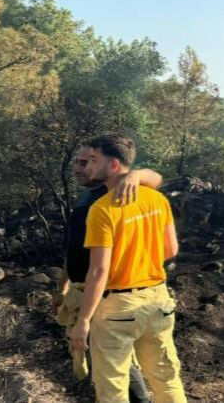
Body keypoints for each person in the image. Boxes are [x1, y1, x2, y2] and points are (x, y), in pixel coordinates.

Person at [67, 135, 187, 403]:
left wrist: (83, 321)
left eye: (94, 160)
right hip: (158, 300)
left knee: (113, 389)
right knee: (166, 378)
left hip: (117, 307)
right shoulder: (157, 199)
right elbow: (171, 251)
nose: (88, 166)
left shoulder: (101, 209)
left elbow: (99, 272)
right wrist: (141, 260)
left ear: (113, 165)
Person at [53, 144, 163, 400]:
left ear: (107, 165)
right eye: (78, 162)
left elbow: (156, 179)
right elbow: (75, 252)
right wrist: (62, 288)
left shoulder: (118, 193)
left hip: (109, 296)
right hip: (85, 293)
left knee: (117, 363)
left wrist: (136, 175)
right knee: (108, 363)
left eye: (87, 162)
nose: (79, 168)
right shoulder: (85, 200)